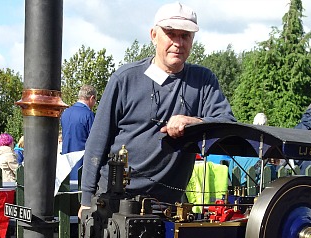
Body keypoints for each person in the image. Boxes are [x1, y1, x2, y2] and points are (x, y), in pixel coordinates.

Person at [80, 2, 235, 216]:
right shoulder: (124, 79)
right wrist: (87, 201)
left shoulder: (204, 81)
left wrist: (194, 123)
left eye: (185, 36)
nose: (178, 43)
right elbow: (97, 142)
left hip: (168, 208)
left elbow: (228, 124)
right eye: (171, 34)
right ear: (154, 35)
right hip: (117, 203)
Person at [60, 85, 97, 155]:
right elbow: (94, 141)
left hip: (66, 158)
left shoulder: (65, 112)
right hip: (81, 159)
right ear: (92, 98)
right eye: (95, 100)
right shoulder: (88, 115)